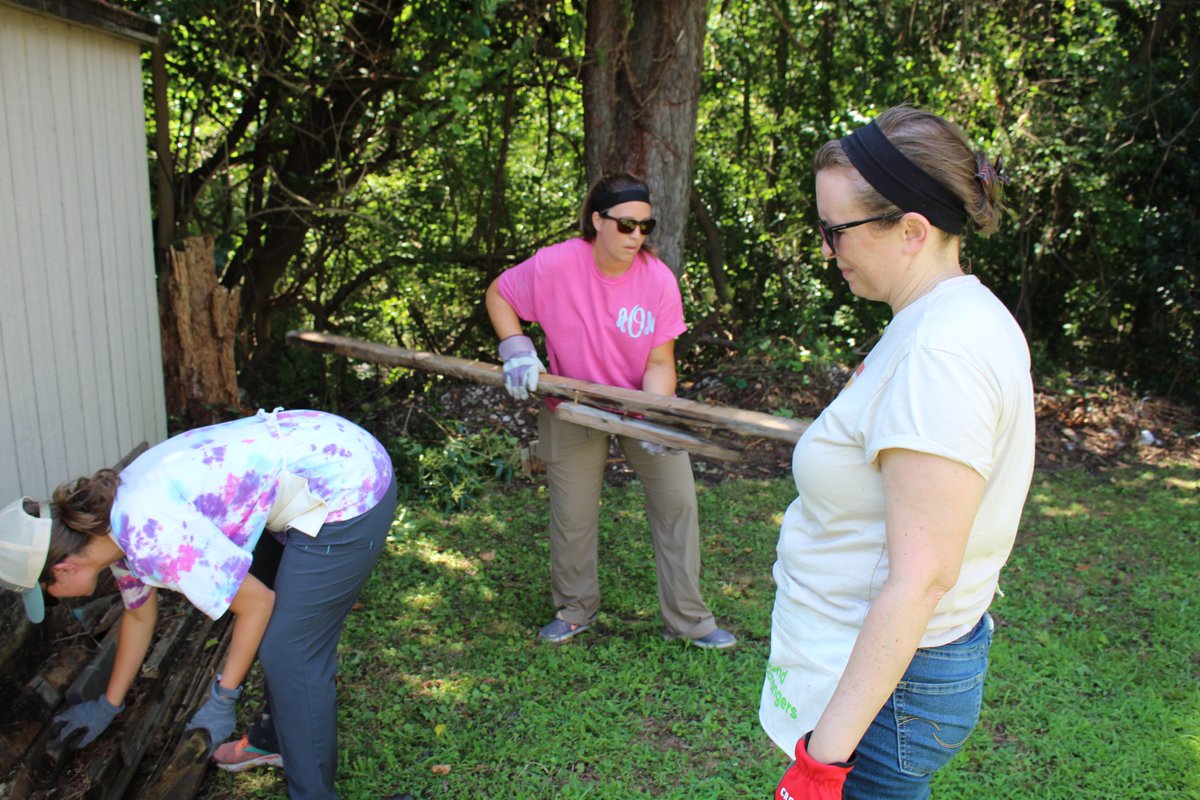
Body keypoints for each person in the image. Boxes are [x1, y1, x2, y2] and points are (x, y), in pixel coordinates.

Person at [760, 107, 1035, 800]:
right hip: (881, 676)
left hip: (887, 691)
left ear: (912, 230)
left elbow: (921, 576)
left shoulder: (941, 352)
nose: (827, 249)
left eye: (836, 230)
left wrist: (821, 769)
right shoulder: (949, 319)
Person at [0, 408, 396, 800]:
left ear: (64, 569)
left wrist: (223, 699)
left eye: (46, 593)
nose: (51, 601)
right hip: (312, 461)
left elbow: (256, 604)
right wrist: (108, 705)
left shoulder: (154, 538)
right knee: (285, 634)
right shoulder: (110, 532)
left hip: (348, 482)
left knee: (290, 651)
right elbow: (139, 616)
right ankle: (275, 739)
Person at [484, 172, 736, 649]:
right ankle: (576, 609)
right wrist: (516, 347)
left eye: (646, 227)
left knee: (678, 503)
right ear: (597, 221)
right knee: (573, 514)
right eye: (625, 226)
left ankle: (690, 620)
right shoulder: (556, 265)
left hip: (639, 405)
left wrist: (657, 414)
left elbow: (661, 361)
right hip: (572, 405)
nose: (636, 237)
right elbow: (499, 294)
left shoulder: (658, 279)